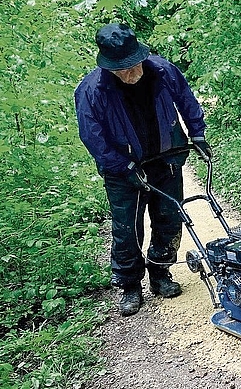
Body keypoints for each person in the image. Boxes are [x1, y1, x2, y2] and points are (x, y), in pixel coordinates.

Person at [75, 23, 212, 316]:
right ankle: (129, 285)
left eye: (132, 65)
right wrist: (122, 166)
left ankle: (161, 273)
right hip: (123, 169)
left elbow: (186, 100)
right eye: (121, 69)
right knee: (127, 229)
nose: (130, 73)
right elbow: (92, 137)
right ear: (108, 66)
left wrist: (197, 133)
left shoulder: (162, 70)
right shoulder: (91, 90)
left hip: (166, 159)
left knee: (169, 217)